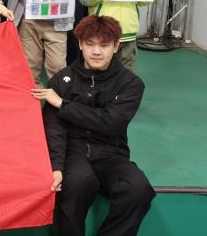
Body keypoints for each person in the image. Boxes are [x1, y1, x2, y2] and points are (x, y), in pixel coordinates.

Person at [32, 14, 155, 236]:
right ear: (80, 44)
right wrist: (56, 166)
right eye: (90, 44)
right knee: (76, 184)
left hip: (111, 153)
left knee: (138, 189)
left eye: (104, 45)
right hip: (74, 152)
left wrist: (63, 104)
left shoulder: (131, 84)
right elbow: (54, 129)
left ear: (116, 46)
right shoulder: (61, 80)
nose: (96, 51)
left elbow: (110, 122)